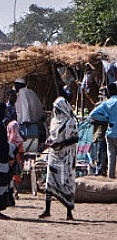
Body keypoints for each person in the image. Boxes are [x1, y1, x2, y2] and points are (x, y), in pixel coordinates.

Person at [40, 92, 79, 220]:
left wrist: (61, 143)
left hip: (66, 156)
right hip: (54, 155)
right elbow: (53, 135)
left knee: (66, 182)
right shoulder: (54, 121)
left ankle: (69, 212)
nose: (54, 110)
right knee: (49, 182)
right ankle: (47, 209)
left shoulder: (70, 121)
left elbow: (75, 138)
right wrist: (50, 141)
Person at [88, 83, 117, 178]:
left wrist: (106, 119)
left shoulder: (105, 103)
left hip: (109, 133)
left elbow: (92, 115)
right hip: (107, 133)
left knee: (110, 155)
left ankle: (110, 176)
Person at [14, 78, 46, 143]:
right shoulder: (31, 92)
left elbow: (25, 106)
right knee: (32, 145)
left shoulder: (22, 92)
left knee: (28, 145)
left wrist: (26, 120)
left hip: (26, 124)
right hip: (35, 122)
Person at [7, 121, 25, 202]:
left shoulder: (7, 137)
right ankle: (16, 192)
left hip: (9, 160)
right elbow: (21, 151)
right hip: (16, 160)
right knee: (16, 176)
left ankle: (11, 192)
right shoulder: (19, 138)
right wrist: (22, 161)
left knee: (9, 177)